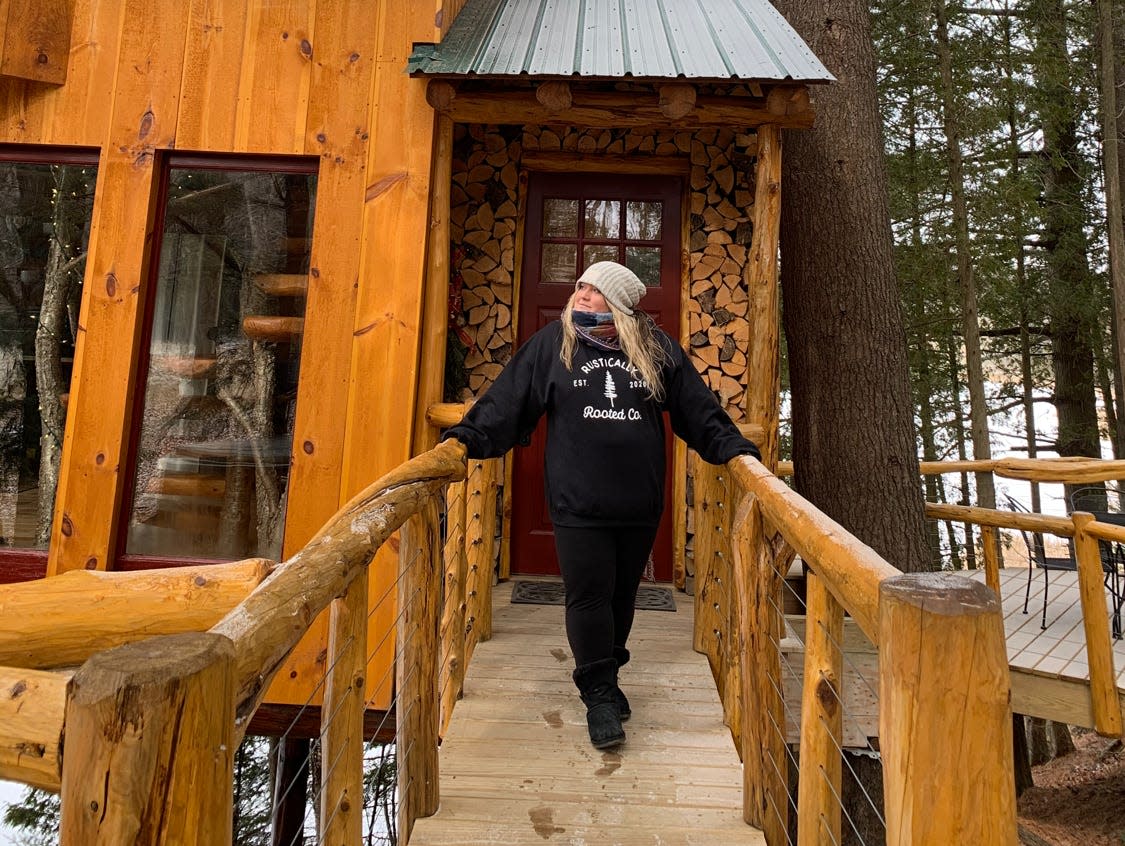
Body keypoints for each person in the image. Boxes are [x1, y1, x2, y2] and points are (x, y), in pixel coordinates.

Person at [443, 260, 760, 749]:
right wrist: (465, 441)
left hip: (638, 501)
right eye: (581, 286)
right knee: (588, 597)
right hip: (578, 500)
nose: (582, 294)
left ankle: (606, 674)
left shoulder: (654, 348)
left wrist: (735, 450)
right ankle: (599, 696)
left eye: (594, 289)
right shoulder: (554, 344)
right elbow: (506, 403)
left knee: (620, 598)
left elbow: (699, 412)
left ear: (617, 303)